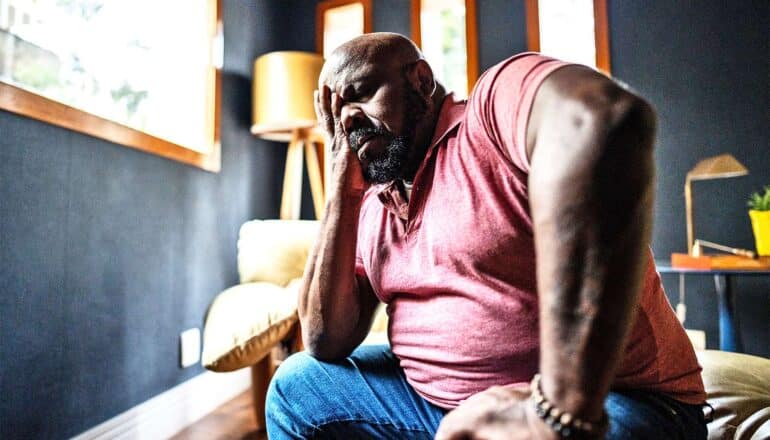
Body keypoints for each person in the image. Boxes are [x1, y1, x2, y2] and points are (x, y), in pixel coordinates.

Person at [265, 32, 707, 439]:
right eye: (335, 114)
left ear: (420, 80)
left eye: (360, 94)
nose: (349, 121)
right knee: (296, 387)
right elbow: (326, 339)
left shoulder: (490, 113)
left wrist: (559, 410)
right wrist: (342, 183)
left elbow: (601, 118)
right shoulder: (370, 198)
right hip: (432, 404)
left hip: (616, 402)